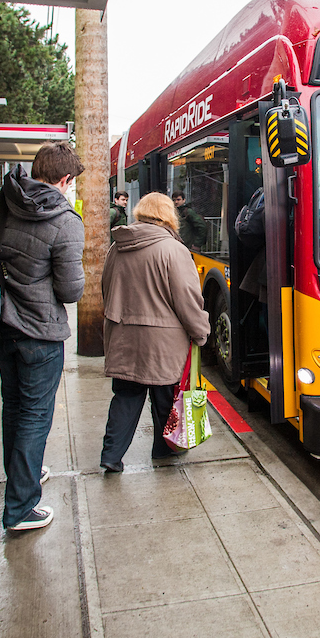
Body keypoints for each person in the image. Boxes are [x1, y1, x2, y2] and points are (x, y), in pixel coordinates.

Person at [0, 142, 85, 531]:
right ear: (64, 180)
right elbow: (70, 291)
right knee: (35, 415)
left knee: (13, 404)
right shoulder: (65, 220)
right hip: (38, 331)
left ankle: (20, 473)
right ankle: (20, 507)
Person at [99, 192, 210, 472]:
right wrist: (200, 331)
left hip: (124, 337)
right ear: (169, 216)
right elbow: (187, 300)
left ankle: (111, 455)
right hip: (163, 343)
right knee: (165, 401)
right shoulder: (174, 250)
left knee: (125, 397)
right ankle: (164, 449)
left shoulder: (117, 247)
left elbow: (106, 288)